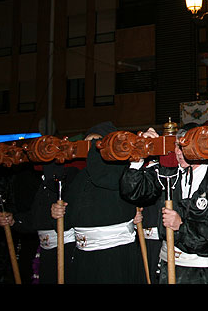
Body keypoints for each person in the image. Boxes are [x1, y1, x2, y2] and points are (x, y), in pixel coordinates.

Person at [119, 124, 208, 284]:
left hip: (203, 274)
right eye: (177, 146)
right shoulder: (169, 174)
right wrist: (138, 154)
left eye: (185, 146)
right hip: (169, 267)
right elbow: (134, 191)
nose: (179, 153)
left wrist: (182, 226)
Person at [51, 121, 144, 284]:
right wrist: (58, 213)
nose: (92, 150)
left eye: (96, 144)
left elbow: (106, 178)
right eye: (88, 145)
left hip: (113, 256)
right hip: (83, 257)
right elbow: (68, 218)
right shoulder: (80, 177)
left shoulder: (119, 171)